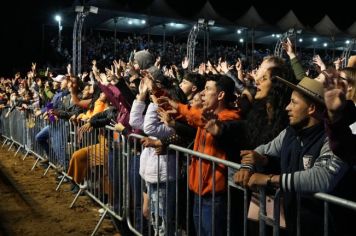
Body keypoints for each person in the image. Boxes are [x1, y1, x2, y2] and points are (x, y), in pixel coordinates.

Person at [234, 76, 349, 236]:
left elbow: (323, 177)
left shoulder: (333, 139)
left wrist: (269, 179)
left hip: (324, 228)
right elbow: (262, 149)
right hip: (293, 225)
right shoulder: (290, 133)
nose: (287, 107)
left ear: (311, 108)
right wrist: (248, 166)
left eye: (294, 102)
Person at [159, 74, 240, 235]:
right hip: (198, 191)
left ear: (221, 95)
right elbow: (191, 115)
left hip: (215, 195)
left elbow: (201, 118)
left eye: (208, 89)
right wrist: (157, 92)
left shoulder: (231, 118)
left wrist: (179, 107)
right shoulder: (204, 114)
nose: (202, 93)